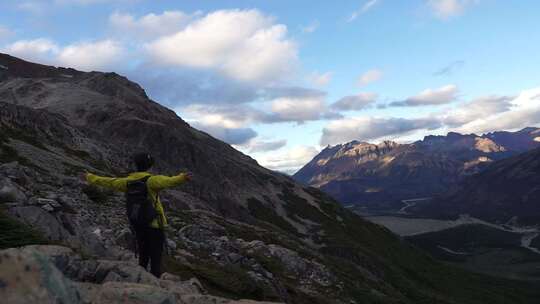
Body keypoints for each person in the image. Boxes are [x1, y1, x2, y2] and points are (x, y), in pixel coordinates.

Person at [83, 152, 192, 277]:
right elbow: (168, 181)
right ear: (150, 166)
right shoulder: (152, 180)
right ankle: (154, 282)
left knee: (143, 254)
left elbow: (108, 182)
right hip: (155, 224)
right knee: (156, 257)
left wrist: (89, 177)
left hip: (138, 223)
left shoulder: (127, 181)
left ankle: (140, 277)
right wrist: (182, 177)